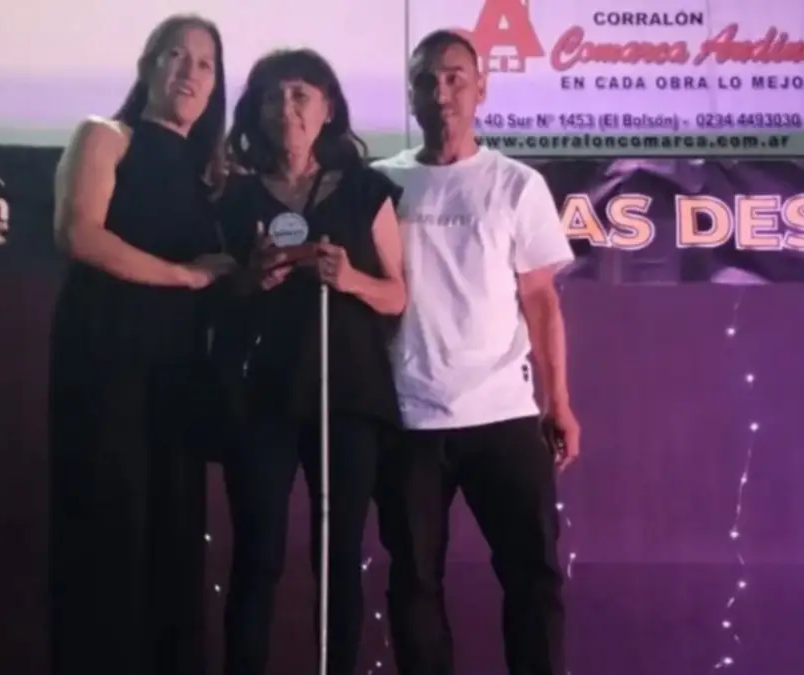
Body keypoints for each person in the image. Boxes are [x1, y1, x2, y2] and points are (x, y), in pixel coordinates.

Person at [371, 30, 581, 675]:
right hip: (407, 417)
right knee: (414, 584)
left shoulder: (516, 184)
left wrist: (559, 403)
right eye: (426, 81)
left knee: (533, 577)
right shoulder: (379, 183)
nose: (441, 93)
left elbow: (540, 300)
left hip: (503, 414)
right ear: (411, 94)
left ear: (481, 88)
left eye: (455, 78)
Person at [46, 15, 235, 675]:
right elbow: (80, 234)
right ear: (148, 66)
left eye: (205, 63)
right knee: (107, 533)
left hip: (176, 375)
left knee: (173, 540)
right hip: (104, 363)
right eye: (175, 55)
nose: (189, 72)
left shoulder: (212, 175)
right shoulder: (106, 135)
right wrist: (184, 276)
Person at [212, 48, 406, 675]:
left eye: (300, 94)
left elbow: (397, 295)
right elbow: (214, 292)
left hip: (346, 399)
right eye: (273, 96)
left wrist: (351, 279)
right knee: (257, 555)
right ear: (256, 111)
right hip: (261, 398)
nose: (287, 107)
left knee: (338, 557)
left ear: (328, 108)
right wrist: (249, 279)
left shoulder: (366, 190)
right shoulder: (234, 197)